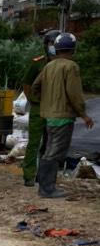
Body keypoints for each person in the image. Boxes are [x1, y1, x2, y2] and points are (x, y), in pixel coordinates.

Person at [32, 32, 94, 198]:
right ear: (73, 49)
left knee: (49, 151)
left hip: (49, 117)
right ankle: (47, 189)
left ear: (57, 49)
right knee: (55, 153)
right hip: (63, 118)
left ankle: (43, 186)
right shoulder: (71, 67)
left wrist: (45, 102)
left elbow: (35, 86)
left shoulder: (49, 66)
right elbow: (74, 94)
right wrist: (84, 115)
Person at [21, 30, 59, 187]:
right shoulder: (38, 63)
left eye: (56, 44)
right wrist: (33, 100)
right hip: (38, 108)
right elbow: (26, 84)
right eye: (51, 43)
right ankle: (29, 175)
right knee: (34, 143)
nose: (53, 46)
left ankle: (43, 176)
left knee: (50, 145)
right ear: (46, 45)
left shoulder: (64, 64)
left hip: (55, 109)